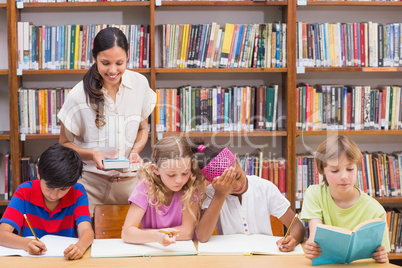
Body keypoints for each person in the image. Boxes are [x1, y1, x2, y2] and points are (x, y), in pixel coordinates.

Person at [58, 27, 156, 216]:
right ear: (94, 58)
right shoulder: (79, 95)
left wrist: (135, 151)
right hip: (91, 187)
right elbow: (64, 143)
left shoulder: (140, 84)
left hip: (132, 185)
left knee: (131, 241)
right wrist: (92, 154)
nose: (113, 70)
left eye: (120, 63)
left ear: (128, 56)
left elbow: (143, 129)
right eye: (105, 63)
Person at [194, 142, 305, 252]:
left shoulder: (264, 188)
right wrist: (220, 194)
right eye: (228, 184)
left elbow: (297, 226)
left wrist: (293, 239)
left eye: (237, 176)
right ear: (213, 184)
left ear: (237, 160)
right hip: (230, 258)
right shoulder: (211, 194)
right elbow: (202, 237)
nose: (237, 186)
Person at [301, 135, 390, 263]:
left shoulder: (375, 210)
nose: (344, 176)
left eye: (349, 169)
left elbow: (383, 257)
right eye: (335, 170)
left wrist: (383, 257)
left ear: (357, 167)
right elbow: (315, 236)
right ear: (322, 170)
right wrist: (312, 248)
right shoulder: (314, 194)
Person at [0, 143, 94, 260]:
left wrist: (80, 246)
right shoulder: (24, 192)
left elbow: (86, 230)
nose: (54, 195)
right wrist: (26, 244)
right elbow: (2, 234)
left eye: (62, 189)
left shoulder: (77, 192)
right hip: (32, 261)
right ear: (38, 173)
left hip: (66, 260)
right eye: (50, 186)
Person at [121, 136, 205, 247]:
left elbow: (187, 233)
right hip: (152, 250)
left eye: (185, 173)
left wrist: (157, 235)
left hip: (182, 251)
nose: (179, 180)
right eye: (171, 174)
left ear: (191, 165)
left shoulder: (191, 187)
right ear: (155, 169)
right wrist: (156, 236)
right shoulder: (146, 186)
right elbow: (127, 233)